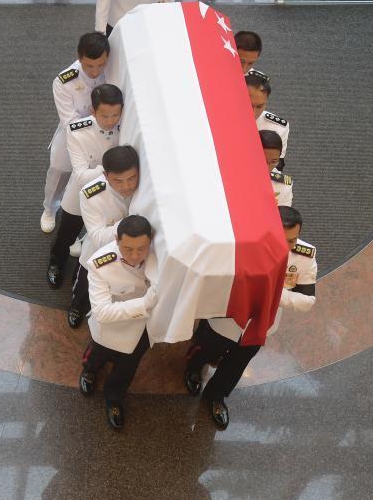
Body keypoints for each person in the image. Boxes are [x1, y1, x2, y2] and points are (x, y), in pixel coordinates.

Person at [184, 206, 317, 429]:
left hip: (261, 323)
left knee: (238, 361)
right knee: (207, 348)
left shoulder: (304, 257)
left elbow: (307, 301)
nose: (286, 247)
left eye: (292, 240)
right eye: (280, 240)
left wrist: (271, 291)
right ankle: (194, 368)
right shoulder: (243, 245)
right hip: (226, 317)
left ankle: (216, 395)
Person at [79, 215, 158, 429]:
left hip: (142, 326)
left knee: (128, 365)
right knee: (97, 354)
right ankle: (90, 370)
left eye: (141, 248)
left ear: (151, 241)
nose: (135, 256)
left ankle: (114, 397)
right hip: (111, 325)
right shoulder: (100, 264)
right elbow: (102, 313)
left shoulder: (157, 258)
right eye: (127, 249)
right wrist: (145, 304)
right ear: (116, 240)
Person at [47, 84, 123, 288]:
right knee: (67, 232)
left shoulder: (124, 129)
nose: (111, 121)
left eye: (115, 115)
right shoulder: (77, 131)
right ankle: (56, 262)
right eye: (105, 116)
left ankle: (83, 276)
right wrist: (111, 169)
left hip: (112, 193)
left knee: (100, 236)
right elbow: (81, 176)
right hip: (81, 192)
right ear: (93, 111)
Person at [41, 33, 110, 234]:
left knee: (94, 180)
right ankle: (50, 208)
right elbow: (70, 123)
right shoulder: (64, 81)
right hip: (72, 137)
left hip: (104, 134)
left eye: (101, 65)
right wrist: (97, 118)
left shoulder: (111, 70)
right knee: (59, 172)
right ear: (79, 58)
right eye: (89, 66)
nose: (95, 71)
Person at [68, 145, 140, 328]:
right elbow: (98, 238)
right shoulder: (91, 195)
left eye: (132, 178)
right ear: (106, 176)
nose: (127, 186)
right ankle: (76, 307)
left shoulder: (143, 188)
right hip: (98, 253)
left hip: (129, 256)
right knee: (83, 285)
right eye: (119, 181)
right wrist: (130, 222)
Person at [247, 70, 290, 170]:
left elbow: (276, 167)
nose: (253, 113)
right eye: (248, 105)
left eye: (260, 106)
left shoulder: (278, 127)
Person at [95, 0, 173, 36]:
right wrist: (101, 34)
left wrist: (164, 19)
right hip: (117, 23)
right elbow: (103, 3)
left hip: (149, 20)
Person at [260, 129, 293, 206]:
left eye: (273, 162)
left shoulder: (283, 185)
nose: (267, 169)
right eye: (262, 161)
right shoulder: (236, 176)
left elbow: (284, 213)